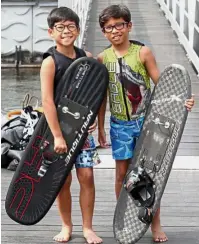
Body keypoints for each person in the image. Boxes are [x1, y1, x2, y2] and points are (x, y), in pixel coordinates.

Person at [97, 4, 195, 243]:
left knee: (151, 174)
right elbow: (102, 98)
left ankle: (155, 223)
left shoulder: (142, 53)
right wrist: (100, 127)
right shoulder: (102, 58)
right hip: (119, 124)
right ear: (104, 32)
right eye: (109, 28)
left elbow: (164, 85)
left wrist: (182, 100)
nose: (115, 31)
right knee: (121, 174)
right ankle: (125, 216)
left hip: (147, 122)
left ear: (129, 26)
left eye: (119, 25)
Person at [40, 7, 102, 244]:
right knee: (63, 180)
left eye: (71, 27)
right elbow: (47, 101)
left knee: (87, 176)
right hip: (58, 131)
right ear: (51, 32)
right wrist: (57, 136)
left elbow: (95, 91)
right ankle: (66, 226)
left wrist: (94, 117)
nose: (66, 31)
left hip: (82, 130)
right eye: (60, 27)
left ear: (77, 29)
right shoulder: (50, 61)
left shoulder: (86, 56)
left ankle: (88, 228)